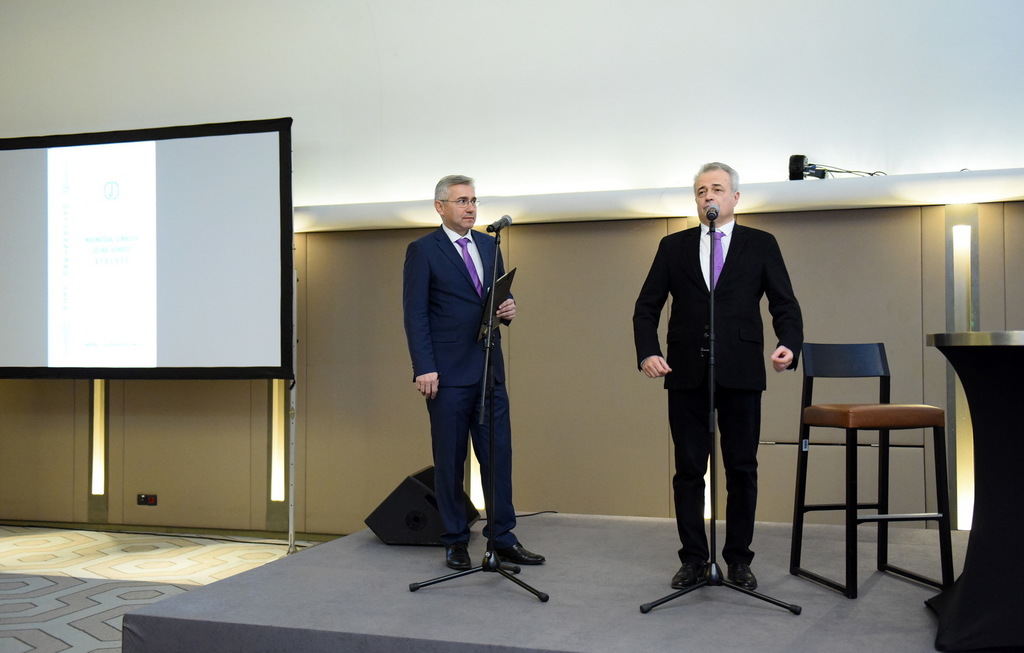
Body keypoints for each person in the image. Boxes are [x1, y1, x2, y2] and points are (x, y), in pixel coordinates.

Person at [632, 162, 803, 591]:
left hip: (741, 370)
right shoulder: (673, 246)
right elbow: (646, 307)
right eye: (701, 191)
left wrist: (789, 342)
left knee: (742, 469)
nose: (708, 196)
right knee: (689, 470)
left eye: (717, 189)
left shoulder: (760, 243)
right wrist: (648, 352)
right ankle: (693, 559)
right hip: (686, 370)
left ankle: (739, 560)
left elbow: (784, 303)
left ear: (735, 198)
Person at [403, 174, 545, 570]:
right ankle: (454, 539)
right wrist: (424, 367)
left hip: (488, 369)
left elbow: (496, 297)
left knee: (498, 457)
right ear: (440, 207)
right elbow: (415, 314)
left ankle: (503, 538)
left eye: (473, 200)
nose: (470, 207)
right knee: (451, 462)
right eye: (462, 201)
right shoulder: (423, 250)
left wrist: (508, 307)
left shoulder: (489, 244)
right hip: (446, 375)